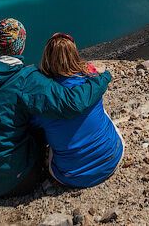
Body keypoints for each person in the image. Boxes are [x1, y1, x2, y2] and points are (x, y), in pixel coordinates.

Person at [0, 18, 112, 199]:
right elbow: (72, 103)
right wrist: (102, 79)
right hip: (11, 181)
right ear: (20, 44)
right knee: (40, 125)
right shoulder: (26, 79)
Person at [32, 32, 124, 188]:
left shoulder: (42, 96)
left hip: (71, 176)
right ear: (74, 54)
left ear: (47, 57)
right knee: (102, 113)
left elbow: (32, 124)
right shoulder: (91, 79)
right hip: (112, 158)